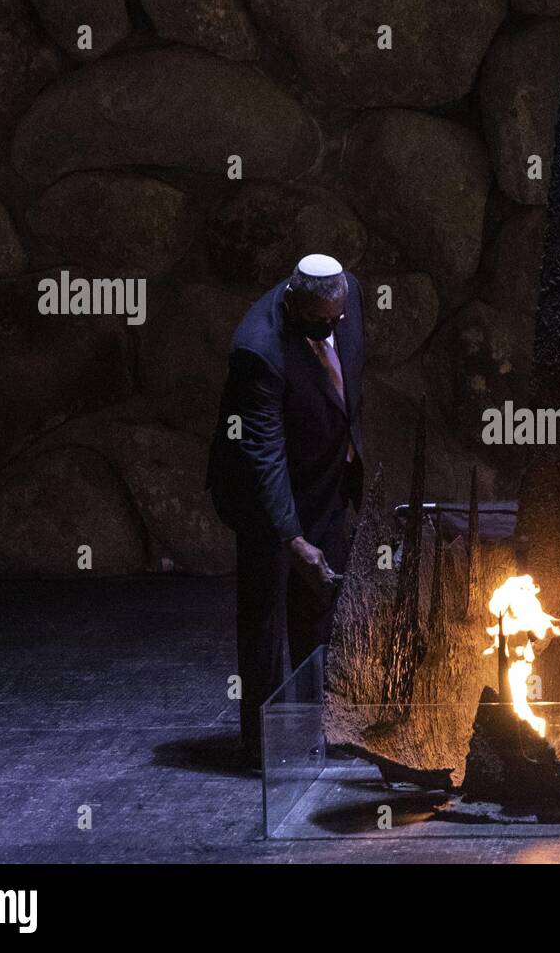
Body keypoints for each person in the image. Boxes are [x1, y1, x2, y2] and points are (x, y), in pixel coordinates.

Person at [205, 254, 365, 767]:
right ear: (295, 302)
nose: (333, 325)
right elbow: (265, 453)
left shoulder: (346, 295)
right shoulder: (258, 348)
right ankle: (263, 747)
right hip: (262, 491)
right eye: (321, 321)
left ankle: (322, 726)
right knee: (266, 615)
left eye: (337, 317)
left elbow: (346, 374)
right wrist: (291, 538)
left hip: (322, 475)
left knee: (319, 600)